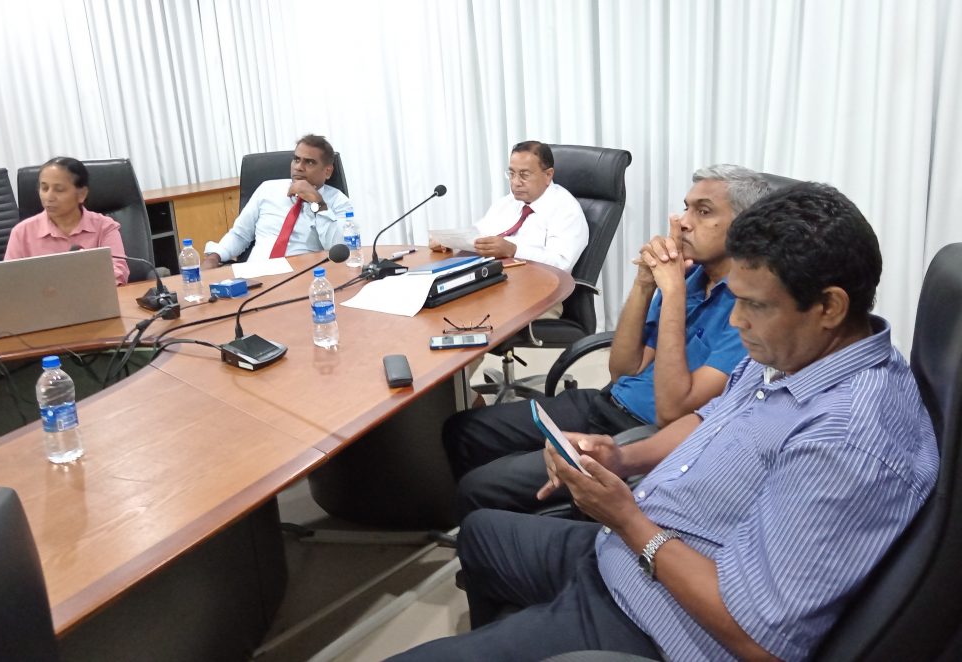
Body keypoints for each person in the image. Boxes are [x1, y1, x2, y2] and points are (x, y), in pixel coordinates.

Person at [390, 182, 939, 662]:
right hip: (626, 554)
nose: (738, 321)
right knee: (482, 533)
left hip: (656, 621)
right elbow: (706, 417)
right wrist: (621, 456)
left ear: (829, 307)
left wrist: (628, 519)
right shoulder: (795, 353)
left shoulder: (849, 439)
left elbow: (761, 639)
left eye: (754, 306)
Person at [445, 165, 771, 519]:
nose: (683, 222)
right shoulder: (690, 278)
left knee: (479, 488)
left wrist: (673, 293)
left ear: (746, 227)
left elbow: (672, 412)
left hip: (643, 432)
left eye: (703, 212)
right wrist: (645, 284)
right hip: (607, 402)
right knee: (464, 430)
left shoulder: (750, 309)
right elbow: (623, 369)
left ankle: (502, 529)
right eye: (686, 208)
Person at [430, 141, 588, 274]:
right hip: (496, 279)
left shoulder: (566, 210)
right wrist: (450, 241)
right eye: (512, 174)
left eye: (524, 175)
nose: (515, 182)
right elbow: (479, 233)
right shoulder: (508, 203)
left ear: (548, 175)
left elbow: (561, 264)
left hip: (539, 289)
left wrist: (513, 250)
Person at [202, 134, 352, 268]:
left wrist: (318, 203)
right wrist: (214, 257)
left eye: (310, 162)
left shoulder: (338, 202)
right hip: (255, 273)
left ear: (327, 171)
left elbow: (340, 249)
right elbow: (240, 235)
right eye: (296, 160)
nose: (299, 167)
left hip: (303, 275)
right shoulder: (267, 189)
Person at [4, 157, 129, 285]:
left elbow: (118, 272)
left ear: (82, 194)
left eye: (59, 189)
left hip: (96, 296)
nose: (49, 197)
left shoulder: (105, 227)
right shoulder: (21, 233)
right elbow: (9, 281)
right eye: (44, 188)